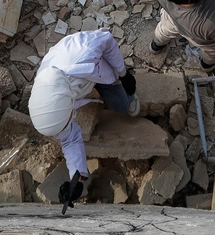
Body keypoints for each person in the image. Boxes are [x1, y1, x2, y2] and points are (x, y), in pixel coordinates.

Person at [28, 30, 139, 205]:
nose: (69, 125)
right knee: (115, 104)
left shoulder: (83, 51)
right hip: (80, 83)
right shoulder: (49, 105)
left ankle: (128, 93)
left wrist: (124, 74)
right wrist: (76, 178)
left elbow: (107, 39)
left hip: (97, 67)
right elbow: (70, 140)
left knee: (122, 106)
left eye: (67, 121)